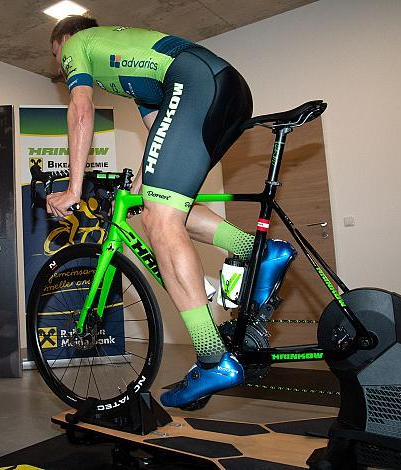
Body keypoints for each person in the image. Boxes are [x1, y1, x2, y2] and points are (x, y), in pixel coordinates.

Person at [45, 16, 279, 409]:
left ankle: (211, 357)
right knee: (164, 202)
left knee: (159, 219)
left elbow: (80, 112)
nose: (59, 63)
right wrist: (143, 176)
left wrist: (74, 187)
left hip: (196, 84)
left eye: (56, 55)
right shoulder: (129, 66)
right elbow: (161, 129)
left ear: (65, 39)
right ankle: (257, 250)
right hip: (225, 88)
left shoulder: (78, 43)